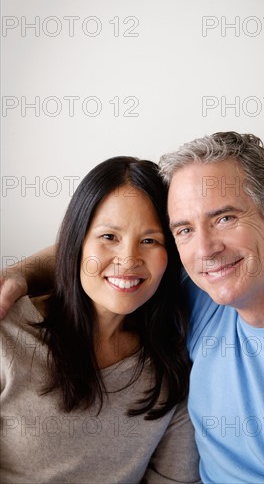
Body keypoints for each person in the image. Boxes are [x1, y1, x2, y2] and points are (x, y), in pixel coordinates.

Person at [1, 132, 264, 483]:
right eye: (185, 229)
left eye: (224, 218)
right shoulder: (204, 293)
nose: (205, 250)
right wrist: (20, 274)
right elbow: (99, 253)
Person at [0, 156, 200, 483]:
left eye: (150, 240)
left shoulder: (172, 371)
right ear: (76, 242)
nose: (128, 259)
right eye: (109, 237)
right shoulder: (7, 334)